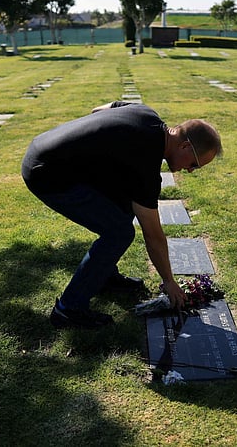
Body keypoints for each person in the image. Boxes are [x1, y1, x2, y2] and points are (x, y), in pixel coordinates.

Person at [21, 100, 223, 329]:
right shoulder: (145, 162)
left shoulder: (146, 113)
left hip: (43, 147)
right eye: (194, 164)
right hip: (46, 172)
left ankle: (103, 275)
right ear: (185, 146)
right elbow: (153, 235)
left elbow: (98, 110)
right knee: (119, 232)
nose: (190, 170)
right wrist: (169, 281)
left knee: (123, 204)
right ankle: (68, 310)